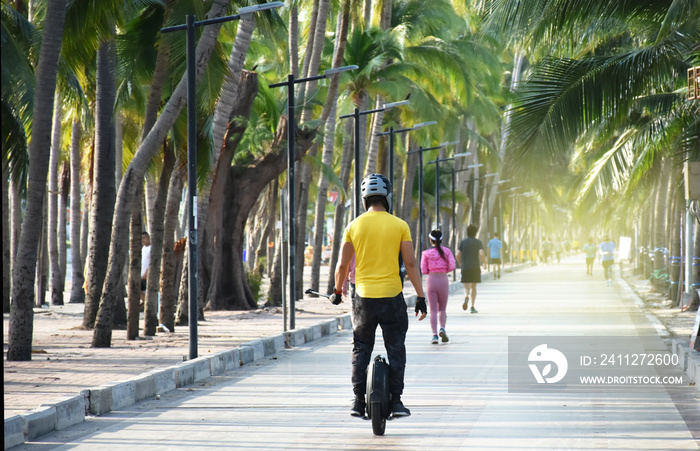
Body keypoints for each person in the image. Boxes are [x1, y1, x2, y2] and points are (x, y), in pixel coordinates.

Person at [330, 173, 427, 419]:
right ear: (387, 197)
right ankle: (396, 401)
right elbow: (411, 264)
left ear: (364, 199)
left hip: (363, 298)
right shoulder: (400, 225)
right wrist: (420, 296)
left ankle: (357, 402)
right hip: (392, 296)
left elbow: (342, 265)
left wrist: (338, 291)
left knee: (361, 347)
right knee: (396, 348)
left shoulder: (354, 225)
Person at [420, 230, 456, 344]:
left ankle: (434, 335)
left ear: (430, 240)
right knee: (442, 309)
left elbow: (424, 270)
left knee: (433, 310)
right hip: (443, 280)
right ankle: (443, 328)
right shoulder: (447, 252)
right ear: (441, 240)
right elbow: (452, 266)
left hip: (431, 280)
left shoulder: (426, 253)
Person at [456, 224, 488, 313]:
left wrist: (461, 263)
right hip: (475, 268)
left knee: (466, 287)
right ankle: (472, 306)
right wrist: (485, 263)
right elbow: (481, 254)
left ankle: (466, 296)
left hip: (465, 267)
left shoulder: (463, 242)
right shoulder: (478, 242)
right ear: (475, 232)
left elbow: (457, 254)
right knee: (474, 287)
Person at [140, 231, 151, 304]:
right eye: (141, 238)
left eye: (144, 238)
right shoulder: (143, 248)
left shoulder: (151, 248)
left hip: (148, 274)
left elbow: (151, 262)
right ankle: (145, 302)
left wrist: (146, 273)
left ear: (148, 238)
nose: (143, 240)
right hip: (142, 273)